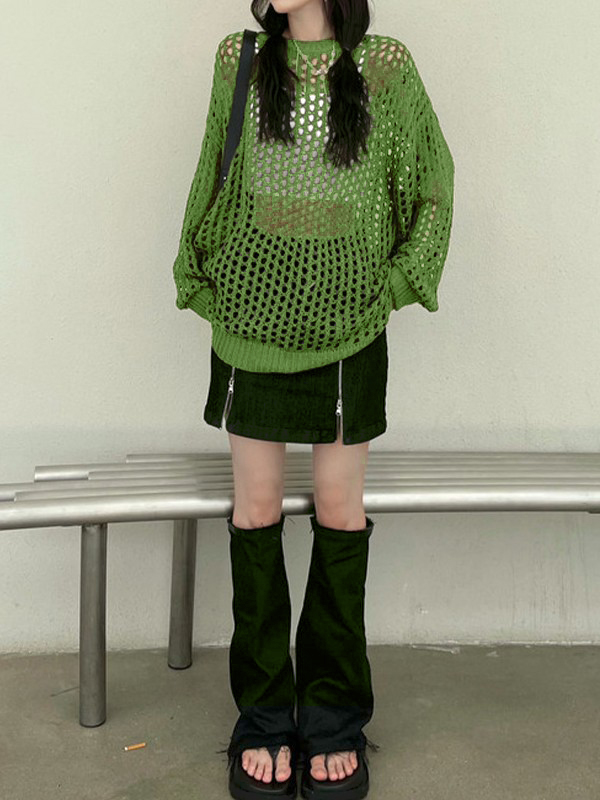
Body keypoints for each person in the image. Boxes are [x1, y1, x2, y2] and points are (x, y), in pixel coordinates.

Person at [171, 0, 455, 796]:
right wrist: (202, 275)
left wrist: (391, 286)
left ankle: (332, 717)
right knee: (256, 511)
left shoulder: (384, 66)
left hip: (350, 333)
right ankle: (264, 716)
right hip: (251, 325)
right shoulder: (238, 60)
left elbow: (433, 182)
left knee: (340, 512)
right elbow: (213, 171)